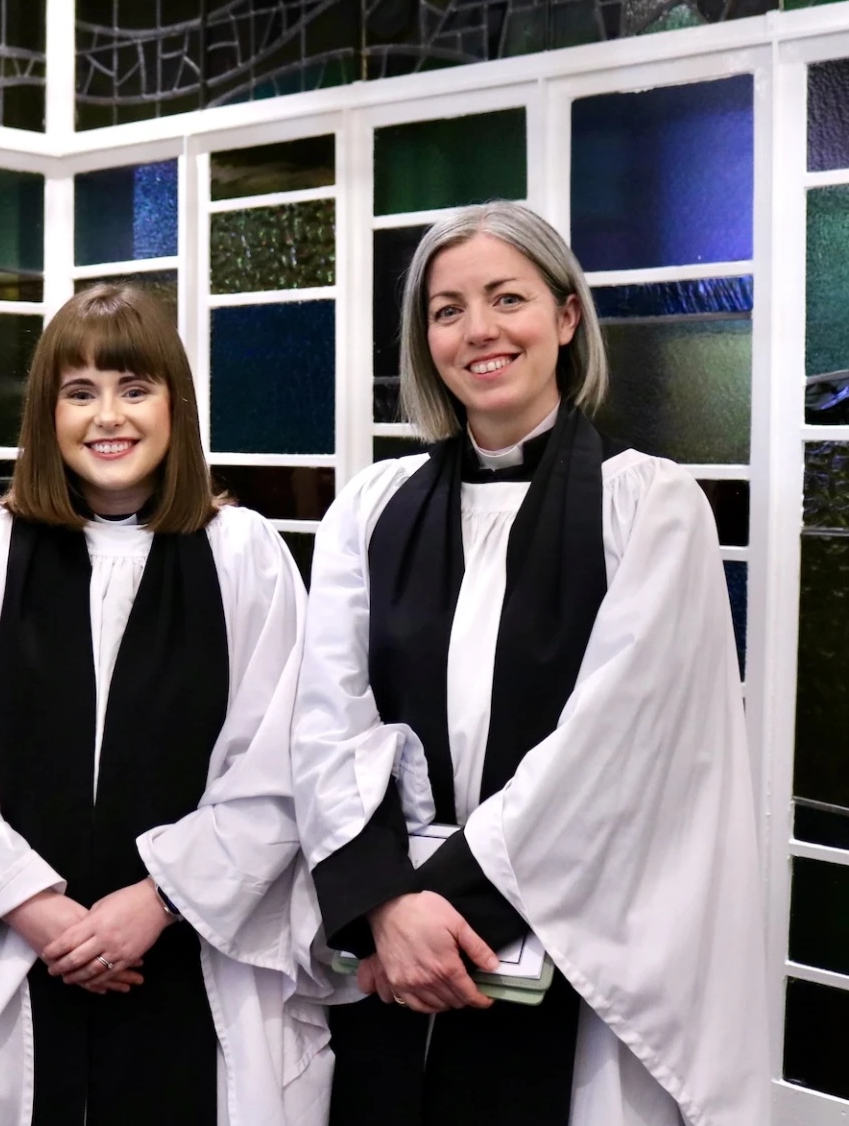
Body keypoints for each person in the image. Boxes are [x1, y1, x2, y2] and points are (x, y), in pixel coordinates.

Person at [290, 201, 767, 1125]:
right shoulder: (371, 506)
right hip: (392, 947)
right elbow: (325, 720)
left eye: (507, 298)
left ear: (566, 316)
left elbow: (618, 749)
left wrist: (433, 913)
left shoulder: (650, 506)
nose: (479, 331)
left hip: (567, 945)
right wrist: (383, 905)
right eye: (447, 310)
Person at [0, 285, 332, 1126]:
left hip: (192, 956)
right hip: (12, 955)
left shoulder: (244, 554)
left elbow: (279, 763)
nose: (108, 417)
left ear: (176, 405)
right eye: (79, 392)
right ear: (46, 415)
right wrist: (33, 906)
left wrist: (157, 901)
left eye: (134, 388)